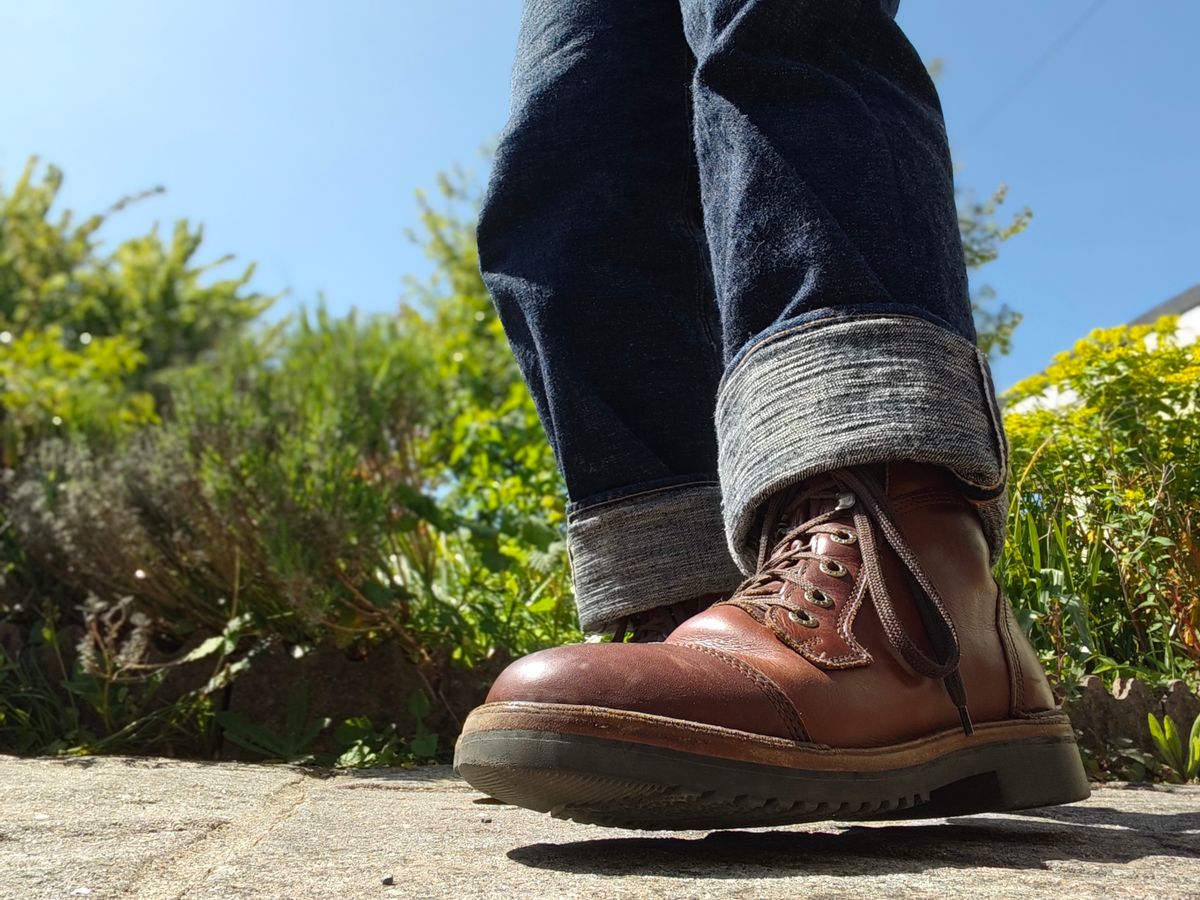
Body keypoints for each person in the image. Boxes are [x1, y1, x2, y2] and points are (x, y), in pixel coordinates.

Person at [452, 0, 1089, 830]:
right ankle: (693, 608)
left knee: (779, 28)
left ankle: (898, 570)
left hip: (908, 604)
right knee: (570, 143)